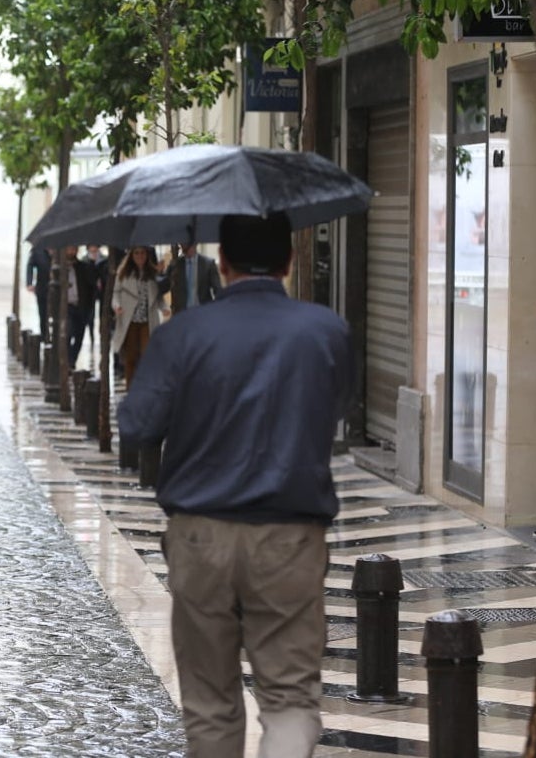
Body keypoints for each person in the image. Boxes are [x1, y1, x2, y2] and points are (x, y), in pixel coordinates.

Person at [118, 213, 354, 758]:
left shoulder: (183, 334)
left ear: (220, 264)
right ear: (289, 261)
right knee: (291, 699)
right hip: (291, 537)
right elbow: (337, 407)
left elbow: (136, 427)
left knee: (210, 700)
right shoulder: (325, 330)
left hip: (200, 537)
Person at [111, 245, 167, 384]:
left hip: (147, 321)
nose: (140, 256)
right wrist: (117, 306)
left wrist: (164, 307)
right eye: (136, 253)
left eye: (142, 253)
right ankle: (130, 389)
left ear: (147, 255)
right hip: (129, 320)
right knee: (131, 358)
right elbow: (116, 293)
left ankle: (144, 387)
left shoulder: (153, 273)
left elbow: (158, 296)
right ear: (131, 255)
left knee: (147, 355)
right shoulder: (123, 273)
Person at [162, 241, 222, 315]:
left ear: (196, 243)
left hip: (203, 313)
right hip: (181, 315)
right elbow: (163, 288)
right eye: (183, 242)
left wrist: (217, 311)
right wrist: (159, 272)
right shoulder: (175, 264)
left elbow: (218, 290)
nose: (186, 245)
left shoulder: (208, 264)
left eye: (189, 242)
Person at [68, 247, 99, 367]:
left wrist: (89, 307)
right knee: (68, 333)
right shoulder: (59, 268)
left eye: (74, 249)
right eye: (70, 249)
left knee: (79, 336)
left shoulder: (83, 267)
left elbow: (92, 286)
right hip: (67, 307)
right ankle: (68, 361)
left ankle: (72, 361)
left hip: (81, 307)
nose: (71, 252)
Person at [25, 246, 52, 338]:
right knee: (43, 314)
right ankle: (45, 336)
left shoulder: (60, 248)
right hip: (42, 288)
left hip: (58, 289)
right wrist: (29, 283)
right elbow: (30, 265)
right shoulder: (37, 251)